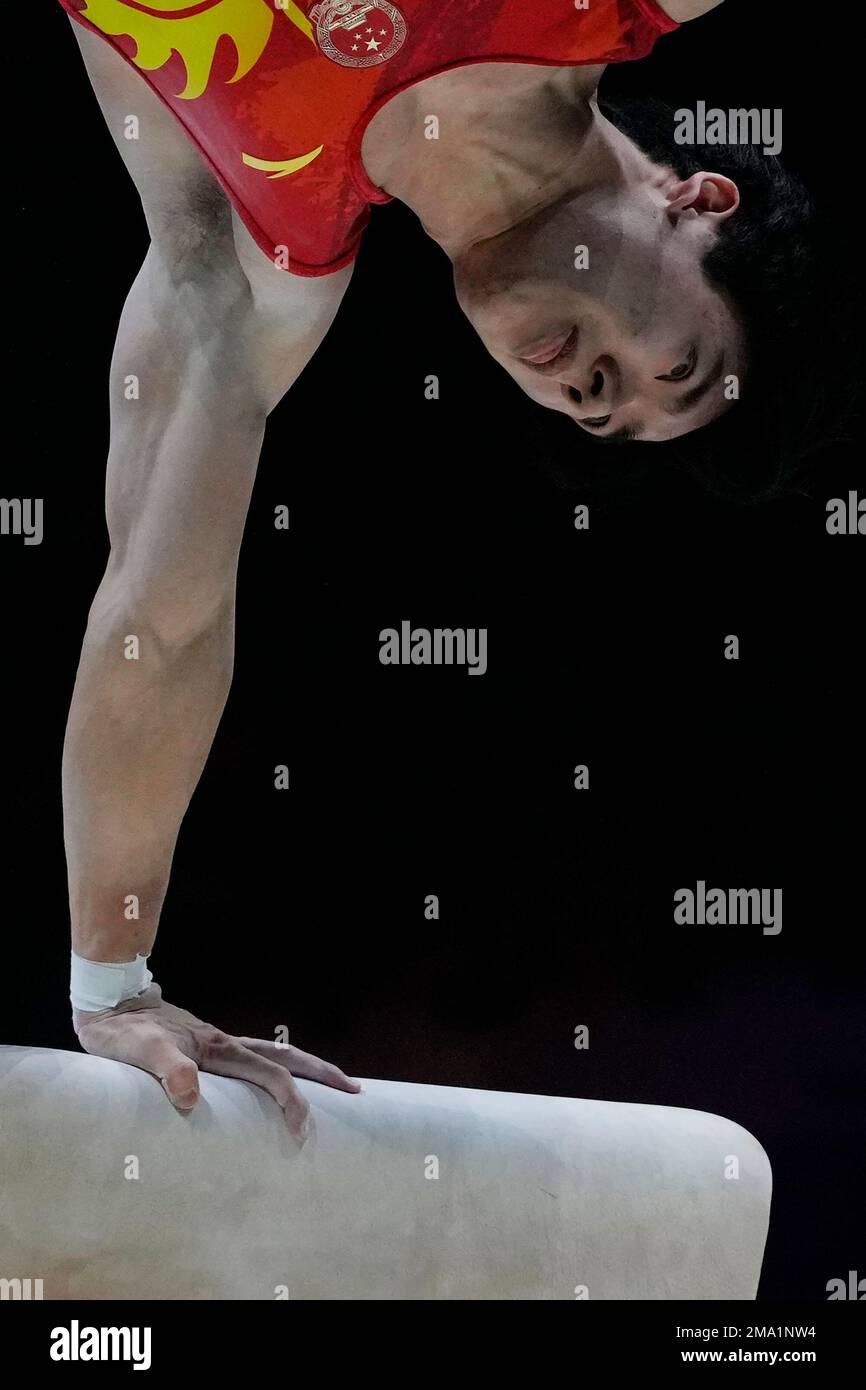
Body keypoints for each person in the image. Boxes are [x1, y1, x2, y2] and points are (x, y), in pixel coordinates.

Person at [57, 0, 764, 1138]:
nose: (600, 395)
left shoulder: (249, 267)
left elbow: (161, 625)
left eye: (610, 421)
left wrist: (111, 983)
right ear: (701, 204)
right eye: (673, 364)